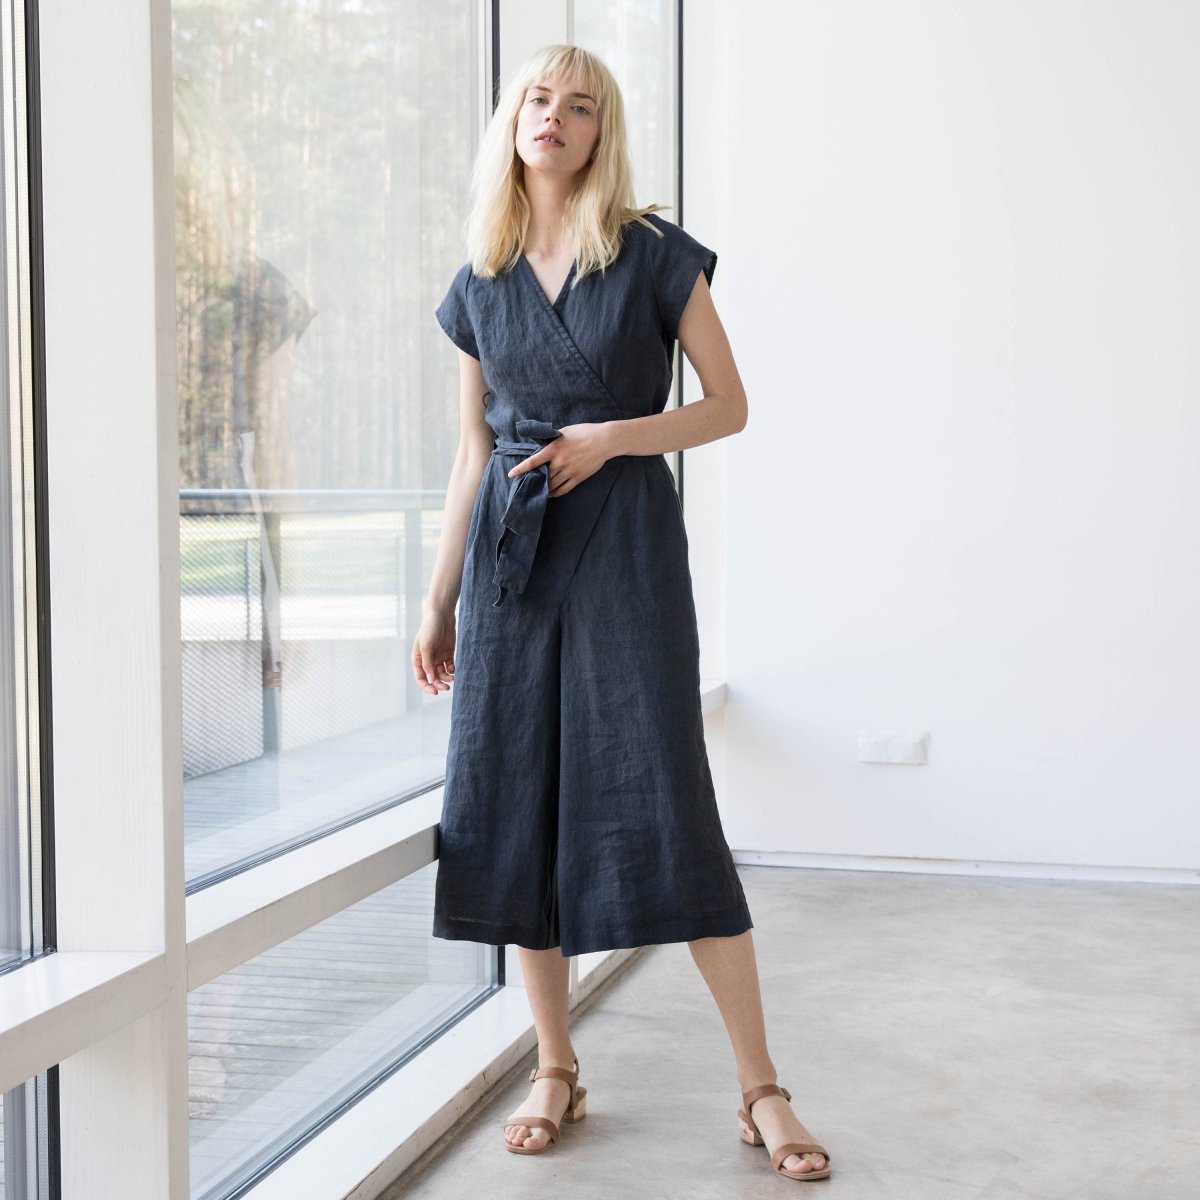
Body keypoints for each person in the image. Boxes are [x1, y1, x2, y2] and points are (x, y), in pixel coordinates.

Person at [411, 43, 831, 1183]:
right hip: (510, 563)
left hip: (628, 550)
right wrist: (440, 599)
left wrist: (610, 438)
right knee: (514, 800)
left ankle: (761, 1087)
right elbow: (469, 456)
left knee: (667, 796)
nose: (555, 116)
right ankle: (555, 1063)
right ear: (513, 121)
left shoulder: (650, 253)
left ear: (603, 133)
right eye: (539, 99)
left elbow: (729, 407)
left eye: (581, 105)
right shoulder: (480, 277)